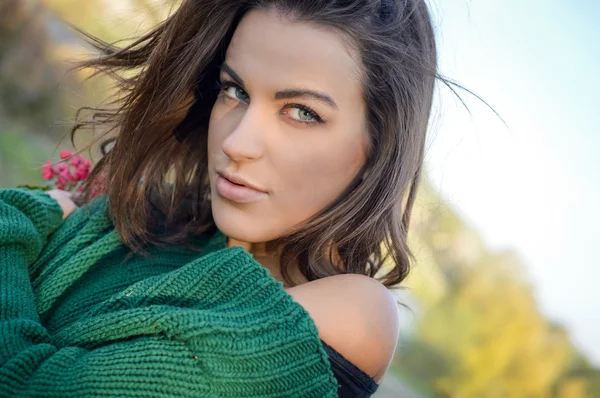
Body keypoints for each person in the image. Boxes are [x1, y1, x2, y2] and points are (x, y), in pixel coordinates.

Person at [0, 0, 438, 396]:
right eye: (235, 91)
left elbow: (29, 386)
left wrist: (20, 222)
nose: (237, 142)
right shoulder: (160, 216)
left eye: (302, 112)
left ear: (379, 146)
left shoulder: (354, 317)